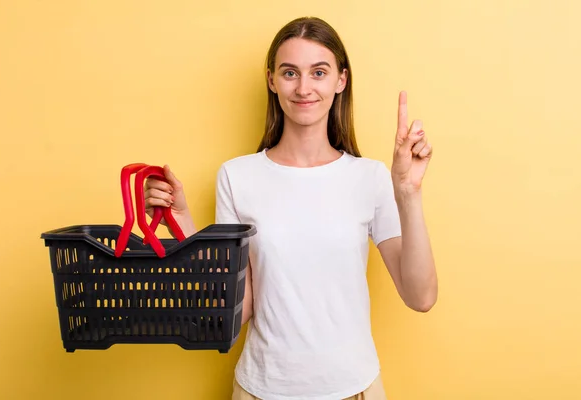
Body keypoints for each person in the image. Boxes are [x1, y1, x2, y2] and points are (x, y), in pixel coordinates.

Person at [145, 16, 437, 400]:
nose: (303, 88)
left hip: (354, 388)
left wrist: (408, 192)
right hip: (261, 389)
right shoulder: (237, 176)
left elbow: (421, 297)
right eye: (289, 73)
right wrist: (182, 224)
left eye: (319, 72)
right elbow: (234, 310)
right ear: (271, 80)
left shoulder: (371, 177)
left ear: (340, 81)